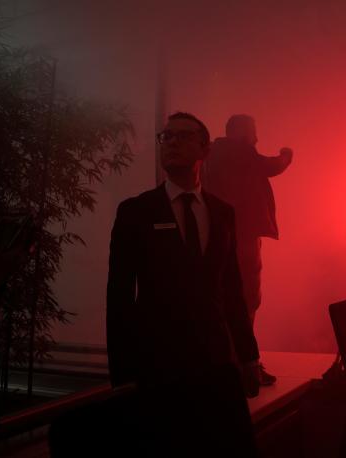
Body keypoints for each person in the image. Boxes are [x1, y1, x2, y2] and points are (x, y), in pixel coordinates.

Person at [106, 112, 260, 456]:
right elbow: (119, 299)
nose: (172, 143)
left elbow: (232, 290)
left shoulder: (222, 212)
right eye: (167, 136)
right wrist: (121, 375)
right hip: (158, 366)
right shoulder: (136, 212)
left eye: (183, 136)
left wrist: (248, 357)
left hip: (215, 363)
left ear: (204, 149)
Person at [203, 114, 293, 385]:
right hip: (243, 236)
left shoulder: (213, 155)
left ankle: (232, 361)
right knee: (247, 298)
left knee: (229, 298)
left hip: (222, 235)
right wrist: (287, 155)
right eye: (253, 131)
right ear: (241, 132)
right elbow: (271, 166)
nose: (256, 138)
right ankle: (245, 363)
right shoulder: (240, 152)